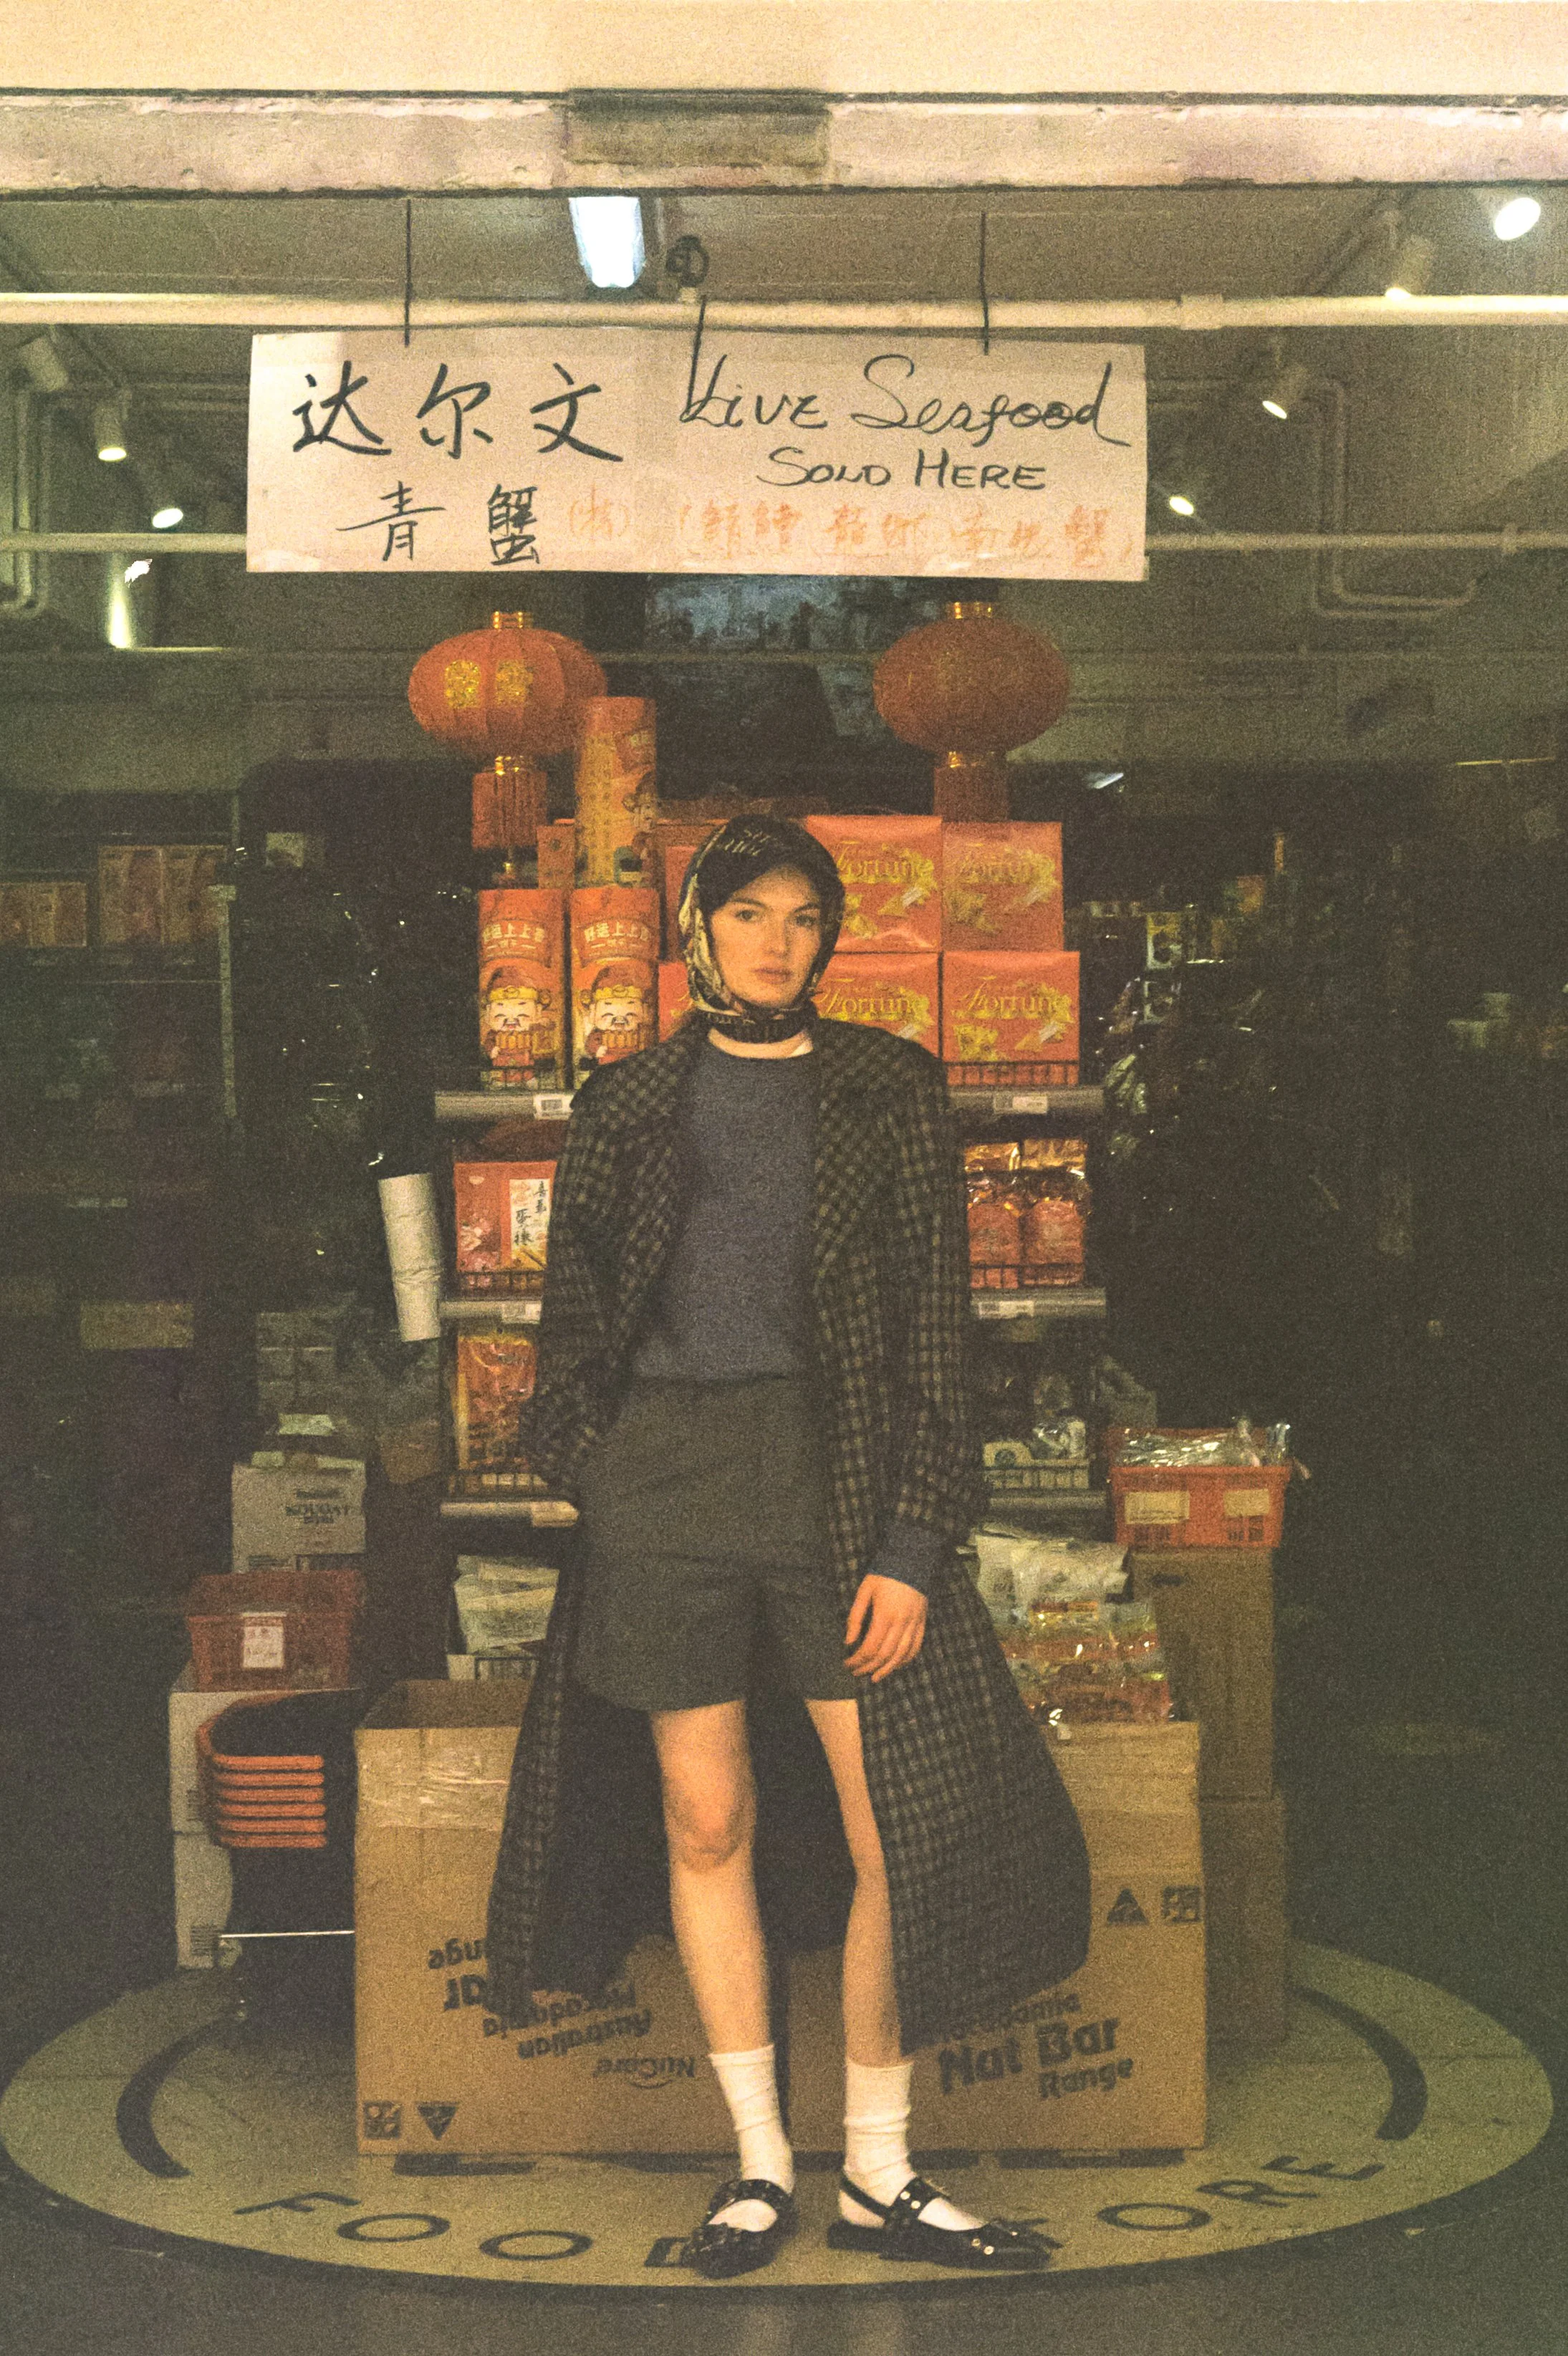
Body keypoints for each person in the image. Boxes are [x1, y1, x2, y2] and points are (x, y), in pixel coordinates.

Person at [487, 816, 1090, 2279]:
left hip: (840, 1479)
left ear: (831, 937)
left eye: (803, 918)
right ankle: (756, 2168)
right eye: (746, 912)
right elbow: (570, 1321)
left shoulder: (888, 1085)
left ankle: (881, 2172)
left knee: (899, 1821)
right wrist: (602, 1472)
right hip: (666, 1487)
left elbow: (938, 1333)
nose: (775, 939)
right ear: (693, 929)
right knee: (705, 1823)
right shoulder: (625, 1099)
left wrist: (911, 1531)